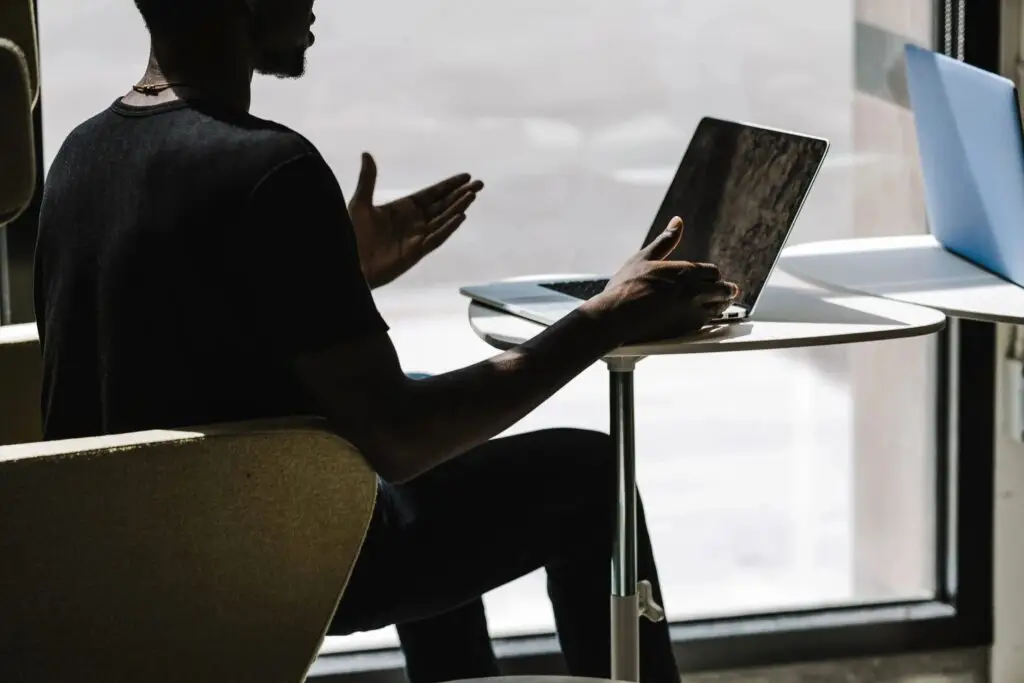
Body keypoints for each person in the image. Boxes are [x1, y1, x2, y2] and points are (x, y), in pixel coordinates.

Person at [33, 1, 740, 681]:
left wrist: (334, 272)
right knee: (593, 476)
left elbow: (177, 342)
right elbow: (399, 442)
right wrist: (607, 317)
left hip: (137, 557)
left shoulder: (83, 152)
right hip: (279, 557)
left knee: (438, 408)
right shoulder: (269, 169)